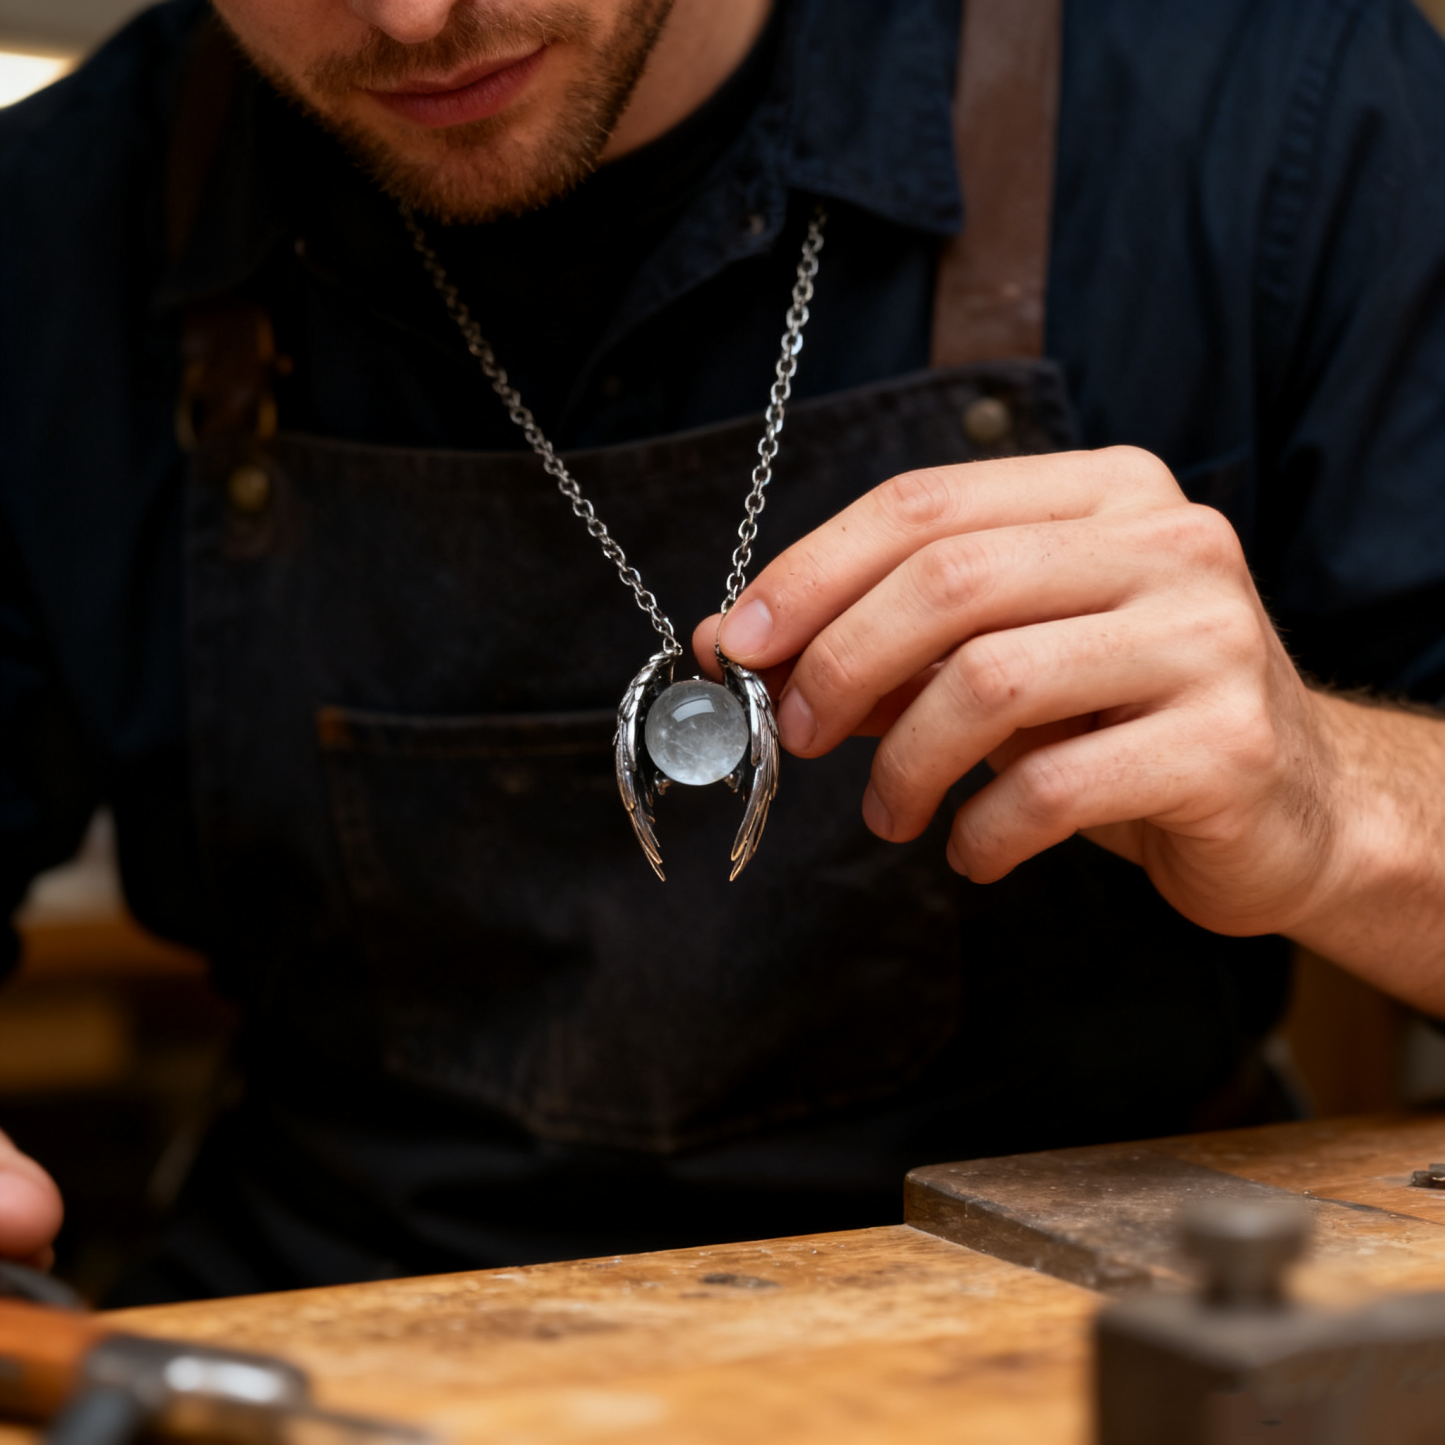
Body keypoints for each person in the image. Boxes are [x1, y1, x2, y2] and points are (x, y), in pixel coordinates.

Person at [3, 0, 1445, 1301]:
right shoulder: (56, 226)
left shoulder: (1275, 98)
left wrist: (1344, 809)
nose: (413, 13)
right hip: (334, 1342)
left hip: (1106, 1331)